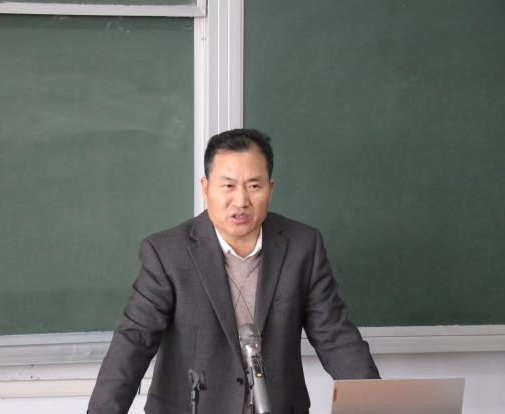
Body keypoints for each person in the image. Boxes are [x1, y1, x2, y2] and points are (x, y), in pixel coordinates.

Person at [88, 128, 379, 414]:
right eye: (228, 186)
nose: (241, 201)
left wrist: (378, 406)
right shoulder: (167, 253)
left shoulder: (302, 246)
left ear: (270, 189)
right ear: (205, 188)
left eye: (254, 186)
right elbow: (134, 342)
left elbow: (336, 338)